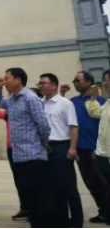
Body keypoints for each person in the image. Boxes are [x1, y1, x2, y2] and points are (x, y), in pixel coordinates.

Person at [0, 68, 53, 228]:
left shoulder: (30, 99)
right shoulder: (11, 100)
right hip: (18, 156)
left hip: (33, 156)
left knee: (38, 198)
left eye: (7, 78)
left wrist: (41, 144)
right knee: (28, 197)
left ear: (18, 80)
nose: (5, 81)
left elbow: (43, 126)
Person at [61, 71, 108, 224]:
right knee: (91, 183)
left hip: (96, 150)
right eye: (74, 80)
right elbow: (60, 112)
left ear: (88, 82)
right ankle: (103, 212)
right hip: (80, 149)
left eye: (78, 80)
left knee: (103, 183)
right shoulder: (72, 101)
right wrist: (62, 94)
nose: (75, 83)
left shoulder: (100, 101)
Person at [39, 73, 83, 228]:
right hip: (45, 149)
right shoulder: (39, 103)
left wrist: (72, 148)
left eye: (44, 83)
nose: (41, 86)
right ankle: (61, 220)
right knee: (53, 187)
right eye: (39, 84)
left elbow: (73, 127)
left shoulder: (65, 103)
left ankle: (76, 222)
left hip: (62, 147)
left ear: (53, 85)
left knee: (68, 186)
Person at [0, 103, 27, 221]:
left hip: (25, 148)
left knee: (28, 180)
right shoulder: (8, 113)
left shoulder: (27, 110)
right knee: (18, 180)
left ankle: (32, 208)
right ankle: (24, 208)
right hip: (11, 149)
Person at [85, 70, 110, 224]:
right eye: (104, 80)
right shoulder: (107, 103)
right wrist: (93, 97)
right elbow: (95, 113)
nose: (105, 84)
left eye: (107, 80)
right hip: (103, 153)